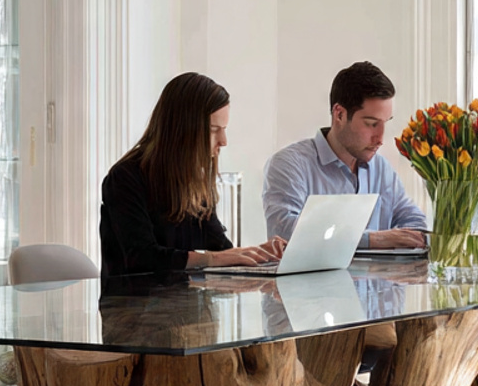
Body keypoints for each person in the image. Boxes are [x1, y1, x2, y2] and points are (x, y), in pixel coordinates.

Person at [99, 72, 286, 279]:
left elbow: (220, 248)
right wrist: (211, 259)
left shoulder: (195, 180)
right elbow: (141, 258)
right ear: (183, 130)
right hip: (133, 307)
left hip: (181, 304)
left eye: (223, 129)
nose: (223, 141)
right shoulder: (124, 178)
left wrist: (259, 254)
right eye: (214, 130)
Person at [263, 61, 428, 250]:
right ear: (339, 114)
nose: (380, 138)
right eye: (371, 123)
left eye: (385, 123)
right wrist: (373, 240)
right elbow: (284, 233)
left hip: (378, 279)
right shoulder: (289, 165)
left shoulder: (381, 169)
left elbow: (414, 223)